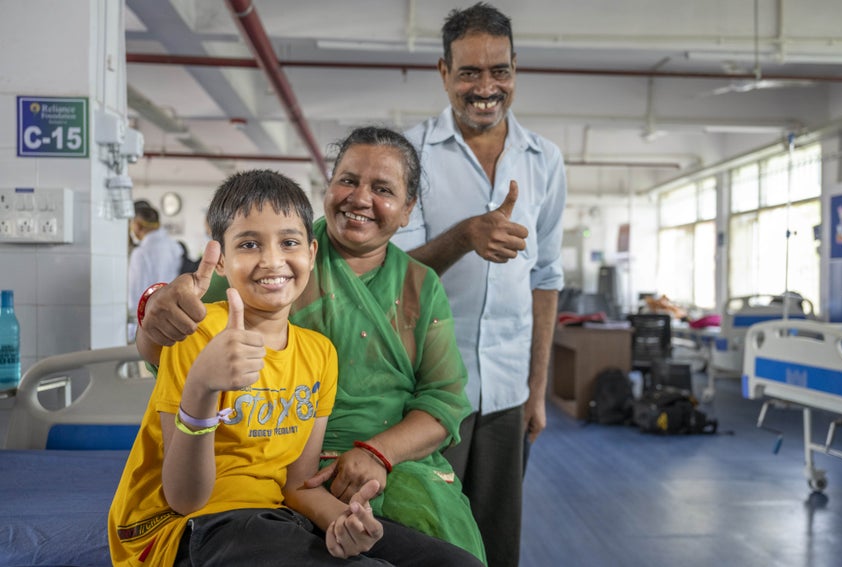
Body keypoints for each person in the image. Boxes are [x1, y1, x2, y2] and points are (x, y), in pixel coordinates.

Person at [133, 128, 486, 565]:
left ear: (408, 209)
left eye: (382, 189)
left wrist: (376, 457)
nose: (360, 198)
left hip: (370, 473)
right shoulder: (261, 267)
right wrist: (156, 307)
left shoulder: (407, 292)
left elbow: (444, 400)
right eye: (349, 180)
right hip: (235, 495)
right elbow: (175, 335)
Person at [392, 4, 567, 566]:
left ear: (515, 68)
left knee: (496, 545)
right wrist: (466, 235)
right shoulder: (408, 155)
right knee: (430, 540)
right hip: (430, 396)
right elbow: (392, 279)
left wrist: (536, 390)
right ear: (444, 73)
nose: (485, 87)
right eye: (469, 72)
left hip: (508, 395)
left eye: (499, 70)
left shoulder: (545, 160)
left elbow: (545, 279)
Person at [127, 201, 183, 342]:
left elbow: (136, 297)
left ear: (138, 225)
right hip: (174, 322)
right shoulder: (175, 247)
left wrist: (132, 332)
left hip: (147, 326)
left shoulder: (141, 253)